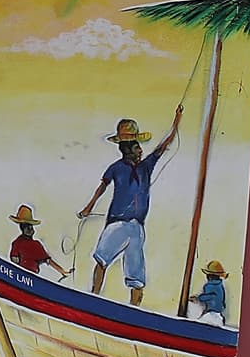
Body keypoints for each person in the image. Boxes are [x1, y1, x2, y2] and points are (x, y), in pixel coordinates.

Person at [76, 105, 185, 308]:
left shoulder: (146, 167)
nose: (140, 151)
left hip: (137, 228)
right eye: (136, 148)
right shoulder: (116, 168)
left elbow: (163, 146)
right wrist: (88, 208)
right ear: (127, 150)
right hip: (117, 224)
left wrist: (177, 121)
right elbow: (102, 187)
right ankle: (94, 297)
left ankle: (134, 311)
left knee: (136, 277)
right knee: (102, 259)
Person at [5, 205, 69, 278]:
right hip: (22, 277)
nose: (30, 229)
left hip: (32, 277)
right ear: (22, 228)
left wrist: (62, 271)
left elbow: (48, 261)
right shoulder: (17, 243)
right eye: (26, 226)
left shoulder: (36, 245)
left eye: (30, 226)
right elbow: (14, 261)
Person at [186, 260, 229, 326]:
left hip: (211, 315)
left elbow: (210, 297)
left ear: (210, 276)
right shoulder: (220, 286)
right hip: (218, 316)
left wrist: (198, 298)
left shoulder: (210, 286)